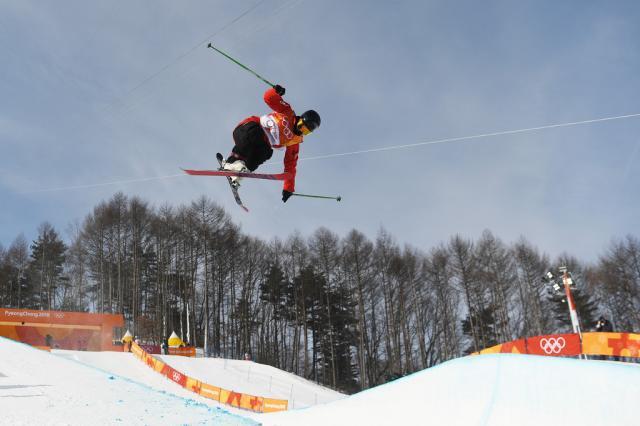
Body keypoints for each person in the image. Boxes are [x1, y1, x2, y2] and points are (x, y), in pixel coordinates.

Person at [222, 84, 321, 202]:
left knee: (266, 153)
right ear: (300, 119)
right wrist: (275, 92)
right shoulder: (287, 112)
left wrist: (288, 188)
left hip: (257, 145)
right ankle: (231, 164)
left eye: (306, 131)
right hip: (248, 128)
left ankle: (236, 173)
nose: (301, 131)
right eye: (302, 127)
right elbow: (269, 98)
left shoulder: (294, 142)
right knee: (256, 137)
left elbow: (290, 165)